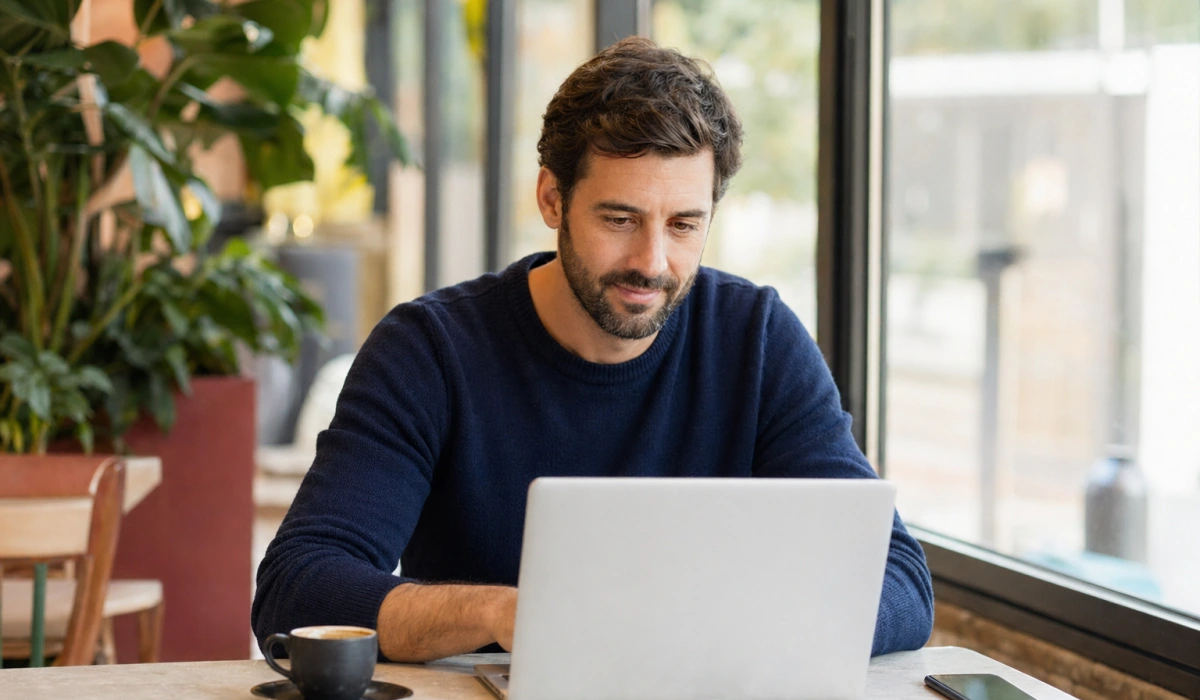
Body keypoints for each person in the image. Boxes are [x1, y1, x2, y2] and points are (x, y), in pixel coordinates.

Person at [252, 37, 934, 663]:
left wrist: (725, 627)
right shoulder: (428, 351)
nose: (652, 262)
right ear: (552, 198)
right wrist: (506, 615)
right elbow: (297, 589)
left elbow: (898, 579)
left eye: (684, 225)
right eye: (620, 219)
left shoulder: (756, 339)